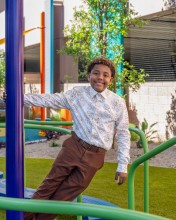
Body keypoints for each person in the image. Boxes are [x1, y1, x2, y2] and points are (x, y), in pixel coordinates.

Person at [23, 56, 130, 220]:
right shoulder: (77, 94)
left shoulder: (117, 103)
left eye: (105, 75)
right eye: (96, 73)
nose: (100, 77)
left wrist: (122, 165)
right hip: (74, 147)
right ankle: (25, 217)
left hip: (95, 156)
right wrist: (20, 97)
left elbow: (123, 133)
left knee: (63, 197)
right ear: (89, 76)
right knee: (49, 185)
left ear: (111, 79)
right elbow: (51, 99)